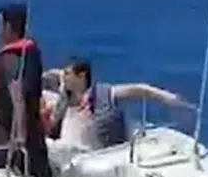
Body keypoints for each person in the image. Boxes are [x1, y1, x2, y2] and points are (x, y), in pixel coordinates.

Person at [0, 3, 58, 177]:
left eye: (0, 25)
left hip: (7, 136)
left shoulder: (10, 58)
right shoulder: (28, 54)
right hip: (30, 134)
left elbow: (17, 94)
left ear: (8, 27)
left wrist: (19, 138)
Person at [45, 57, 190, 152]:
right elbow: (54, 75)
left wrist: (167, 97)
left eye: (67, 74)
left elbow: (138, 89)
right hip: (64, 151)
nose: (63, 78)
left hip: (88, 154)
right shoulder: (64, 98)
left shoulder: (103, 95)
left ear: (81, 76)